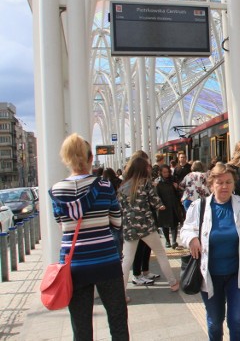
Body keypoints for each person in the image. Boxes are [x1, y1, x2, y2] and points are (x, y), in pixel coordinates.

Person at [180, 163, 240, 341]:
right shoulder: (199, 207)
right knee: (215, 322)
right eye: (220, 182)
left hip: (237, 275)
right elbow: (185, 230)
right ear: (211, 184)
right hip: (210, 275)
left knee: (237, 320)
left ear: (234, 184)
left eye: (228, 182)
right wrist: (191, 238)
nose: (224, 186)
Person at [48, 133, 129, 340]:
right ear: (91, 157)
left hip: (74, 265)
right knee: (117, 319)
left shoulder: (56, 191)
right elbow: (117, 222)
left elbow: (63, 227)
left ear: (66, 158)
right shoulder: (103, 186)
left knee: (81, 326)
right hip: (105, 261)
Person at [118, 157, 179, 300]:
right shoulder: (145, 183)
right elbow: (155, 200)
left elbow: (120, 207)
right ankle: (173, 282)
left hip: (129, 227)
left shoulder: (123, 186)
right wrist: (161, 206)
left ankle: (121, 293)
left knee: (127, 259)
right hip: (146, 225)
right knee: (160, 253)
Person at [155, 164, 184, 248]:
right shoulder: (158, 182)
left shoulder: (173, 180)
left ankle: (174, 241)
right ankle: (167, 241)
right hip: (163, 205)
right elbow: (156, 195)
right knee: (165, 224)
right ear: (160, 172)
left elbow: (179, 193)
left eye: (167, 172)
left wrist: (177, 187)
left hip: (173, 204)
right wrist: (159, 204)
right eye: (164, 172)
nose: (166, 174)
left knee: (174, 223)